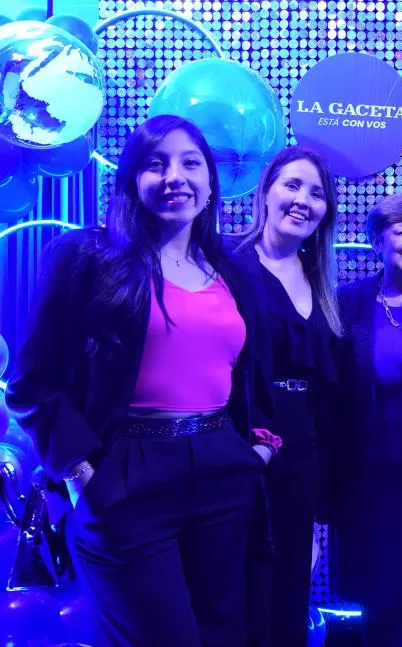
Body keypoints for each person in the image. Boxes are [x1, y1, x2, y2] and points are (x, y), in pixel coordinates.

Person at [5, 114, 274, 646]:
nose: (175, 176)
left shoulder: (233, 269)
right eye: (156, 164)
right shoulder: (85, 257)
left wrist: (257, 449)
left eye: (190, 163)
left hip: (222, 467)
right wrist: (83, 474)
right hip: (127, 470)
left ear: (211, 181)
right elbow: (31, 382)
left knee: (221, 634)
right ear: (132, 180)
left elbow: (250, 374)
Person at [236, 145, 342, 646]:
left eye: (317, 194)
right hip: (241, 447)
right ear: (266, 191)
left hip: (306, 454)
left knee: (290, 593)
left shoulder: (322, 278)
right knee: (240, 589)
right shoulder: (227, 263)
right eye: (292, 186)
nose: (303, 200)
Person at [330, 192, 402, 647]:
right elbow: (335, 395)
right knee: (376, 606)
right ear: (377, 242)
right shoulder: (348, 301)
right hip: (369, 481)